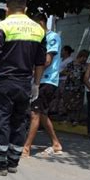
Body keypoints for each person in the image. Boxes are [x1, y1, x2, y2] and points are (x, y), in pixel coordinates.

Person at [0, 0, 46, 175]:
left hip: (5, 82)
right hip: (24, 83)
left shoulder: (3, 26)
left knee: (0, 120)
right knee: (19, 121)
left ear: (7, 9)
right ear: (26, 9)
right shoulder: (38, 29)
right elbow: (40, 61)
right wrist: (36, 84)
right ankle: (13, 161)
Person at [22, 13, 63, 158]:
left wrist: (32, 71)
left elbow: (47, 61)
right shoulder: (39, 39)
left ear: (41, 23)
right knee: (42, 114)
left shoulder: (52, 37)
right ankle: (56, 143)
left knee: (35, 113)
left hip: (47, 80)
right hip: (38, 80)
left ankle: (26, 148)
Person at [62, 49, 90, 125]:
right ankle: (68, 118)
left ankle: (76, 119)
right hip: (69, 86)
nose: (84, 59)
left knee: (78, 104)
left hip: (79, 87)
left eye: (86, 57)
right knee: (68, 103)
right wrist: (69, 74)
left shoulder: (86, 66)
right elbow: (63, 72)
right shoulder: (71, 64)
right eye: (83, 57)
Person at [54, 45, 75, 117]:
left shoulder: (70, 60)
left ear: (66, 51)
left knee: (63, 96)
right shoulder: (60, 59)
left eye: (62, 50)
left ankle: (62, 111)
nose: (61, 52)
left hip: (64, 80)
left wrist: (60, 73)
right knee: (56, 96)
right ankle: (54, 110)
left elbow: (68, 71)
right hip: (57, 79)